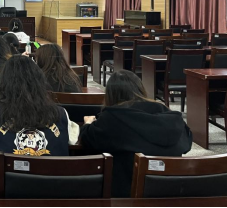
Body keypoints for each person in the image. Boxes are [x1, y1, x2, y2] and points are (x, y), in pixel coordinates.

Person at [0, 56, 80, 198]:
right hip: (53, 195)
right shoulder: (60, 113)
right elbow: (73, 138)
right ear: (39, 81)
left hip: (8, 195)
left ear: (5, 82)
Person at [79, 70, 193, 198]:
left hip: (126, 196)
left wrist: (87, 124)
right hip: (171, 194)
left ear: (110, 95)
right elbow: (187, 144)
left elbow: (88, 140)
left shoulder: (112, 118)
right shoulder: (169, 116)